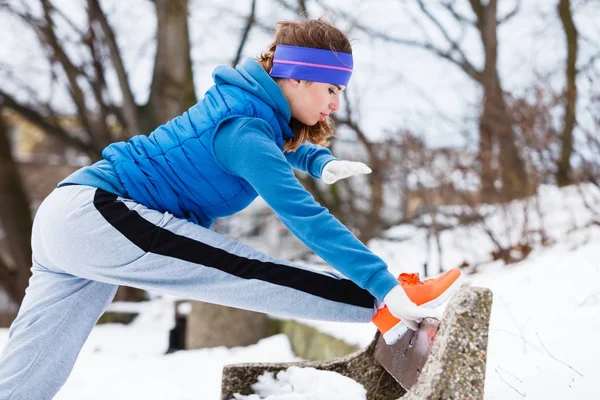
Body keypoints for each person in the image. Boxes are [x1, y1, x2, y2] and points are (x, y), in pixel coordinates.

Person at [0, 18, 462, 400]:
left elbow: (271, 145)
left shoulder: (246, 110)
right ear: (296, 78)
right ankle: (382, 306)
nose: (335, 103)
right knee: (238, 270)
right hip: (99, 216)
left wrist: (320, 161)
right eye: (331, 89)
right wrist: (381, 286)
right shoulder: (244, 130)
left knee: (29, 375)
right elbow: (304, 216)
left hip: (70, 215)